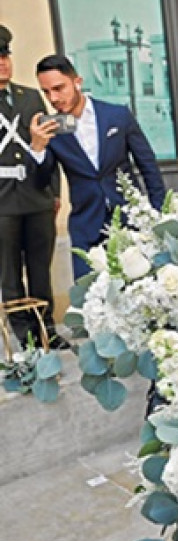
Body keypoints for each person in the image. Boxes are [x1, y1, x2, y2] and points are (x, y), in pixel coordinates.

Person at [29, 54, 165, 280]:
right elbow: (41, 182)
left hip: (131, 221)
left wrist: (158, 213)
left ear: (77, 82)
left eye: (59, 88)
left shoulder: (117, 115)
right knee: (89, 294)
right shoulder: (51, 130)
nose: (53, 98)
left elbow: (148, 166)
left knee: (140, 290)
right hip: (86, 226)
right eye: (46, 92)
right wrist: (37, 148)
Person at [0, 25, 67, 350]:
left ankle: (46, 331)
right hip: (2, 203)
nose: (3, 63)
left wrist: (54, 192)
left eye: (5, 55)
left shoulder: (29, 97)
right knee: (9, 275)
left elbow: (47, 147)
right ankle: (25, 338)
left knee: (40, 270)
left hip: (36, 197)